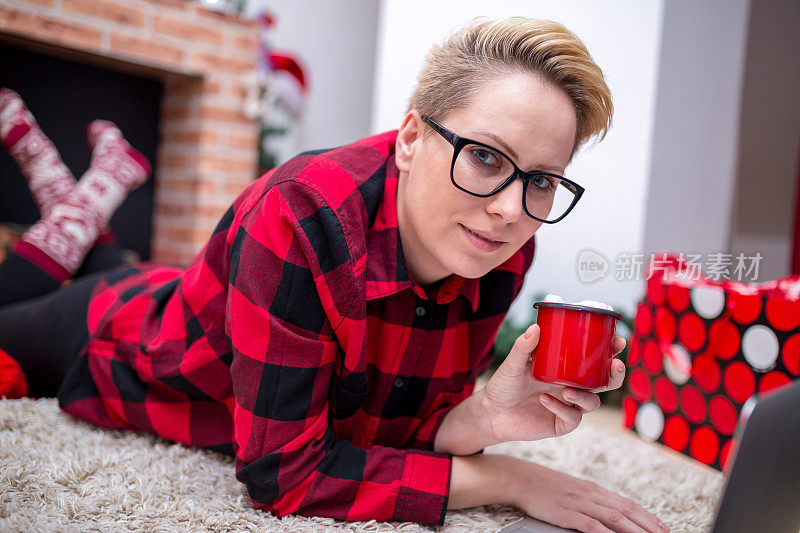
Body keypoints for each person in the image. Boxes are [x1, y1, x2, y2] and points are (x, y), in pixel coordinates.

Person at [0, 17, 670, 533]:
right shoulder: (301, 215)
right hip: (108, 337)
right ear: (411, 138)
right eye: (486, 158)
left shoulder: (500, 242)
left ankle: (85, 191)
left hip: (173, 289)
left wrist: (486, 413)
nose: (508, 208)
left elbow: (386, 424)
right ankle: (84, 189)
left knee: (100, 252)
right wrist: (506, 478)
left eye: (542, 179)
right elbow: (284, 476)